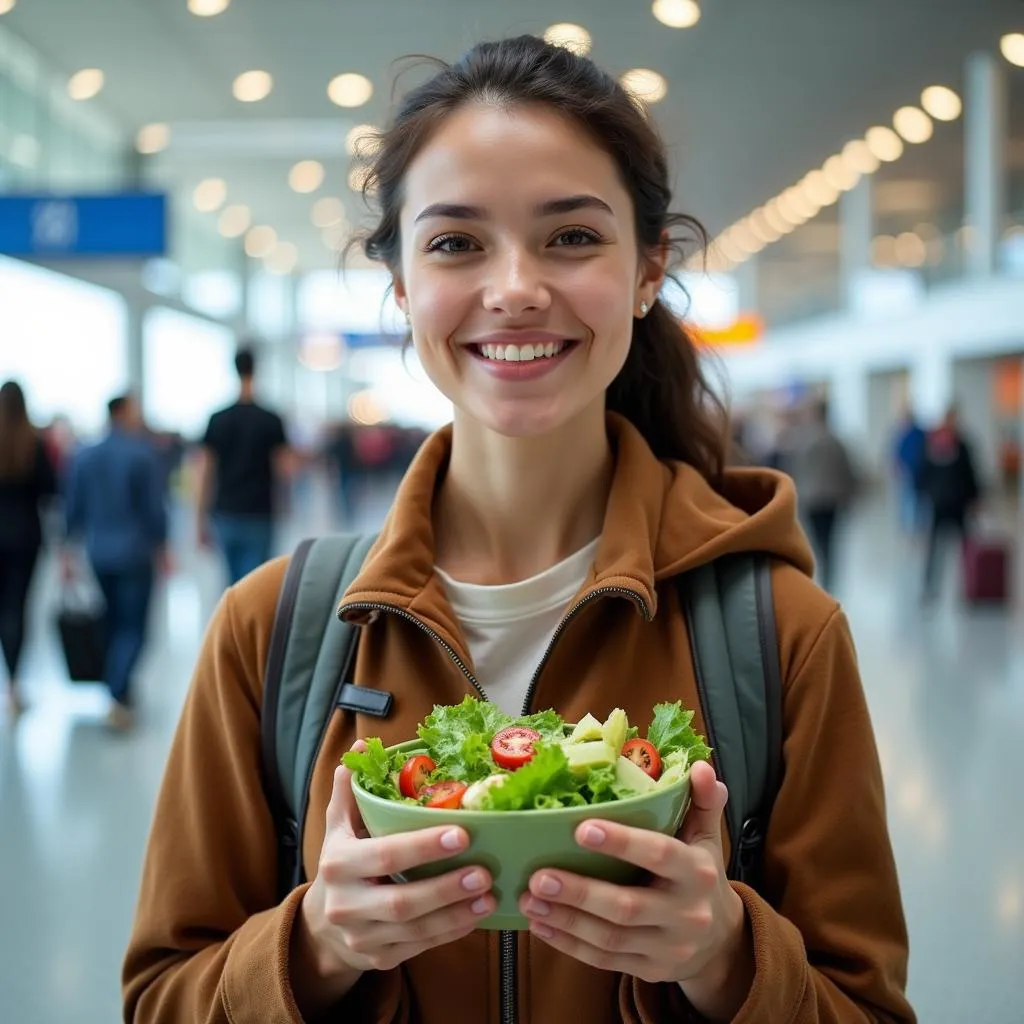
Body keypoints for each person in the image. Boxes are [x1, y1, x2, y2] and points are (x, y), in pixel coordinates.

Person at [123, 36, 914, 1024]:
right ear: (403, 285)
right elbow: (158, 997)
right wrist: (313, 946)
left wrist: (726, 959)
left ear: (647, 266)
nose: (514, 288)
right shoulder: (272, 627)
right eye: (456, 242)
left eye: (571, 237)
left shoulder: (780, 633)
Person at [64, 394, 168, 730]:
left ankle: (119, 689)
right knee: (134, 627)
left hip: (99, 552)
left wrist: (67, 551)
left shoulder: (85, 454)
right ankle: (117, 690)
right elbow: (154, 509)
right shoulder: (142, 454)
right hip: (135, 552)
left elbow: (73, 508)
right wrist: (164, 547)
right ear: (123, 412)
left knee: (111, 622)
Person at [196, 347, 292, 585]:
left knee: (230, 584)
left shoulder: (217, 419)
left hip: (225, 511)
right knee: (256, 585)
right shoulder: (271, 419)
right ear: (255, 369)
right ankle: (250, 624)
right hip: (261, 511)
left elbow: (204, 472)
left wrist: (198, 518)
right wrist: (285, 505)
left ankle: (232, 623)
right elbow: (285, 469)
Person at [0, 381, 58, 717]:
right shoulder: (31, 442)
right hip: (24, 537)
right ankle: (13, 684)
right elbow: (49, 489)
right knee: (17, 609)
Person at [782, 398, 857, 593]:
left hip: (812, 498)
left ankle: (823, 573)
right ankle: (829, 577)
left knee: (816, 539)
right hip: (832, 498)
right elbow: (847, 471)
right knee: (829, 540)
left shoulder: (804, 441)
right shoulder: (835, 440)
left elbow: (794, 469)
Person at [918, 407, 980, 602]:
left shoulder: (960, 445)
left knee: (963, 548)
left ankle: (967, 587)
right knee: (937, 549)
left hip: (954, 503)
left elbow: (970, 475)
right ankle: (930, 588)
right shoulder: (939, 443)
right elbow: (923, 473)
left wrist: (975, 498)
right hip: (943, 503)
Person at [892, 407, 927, 536]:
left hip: (915, 472)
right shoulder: (905, 434)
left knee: (914, 500)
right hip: (910, 472)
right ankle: (910, 526)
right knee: (909, 500)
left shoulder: (915, 434)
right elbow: (897, 454)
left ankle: (914, 526)